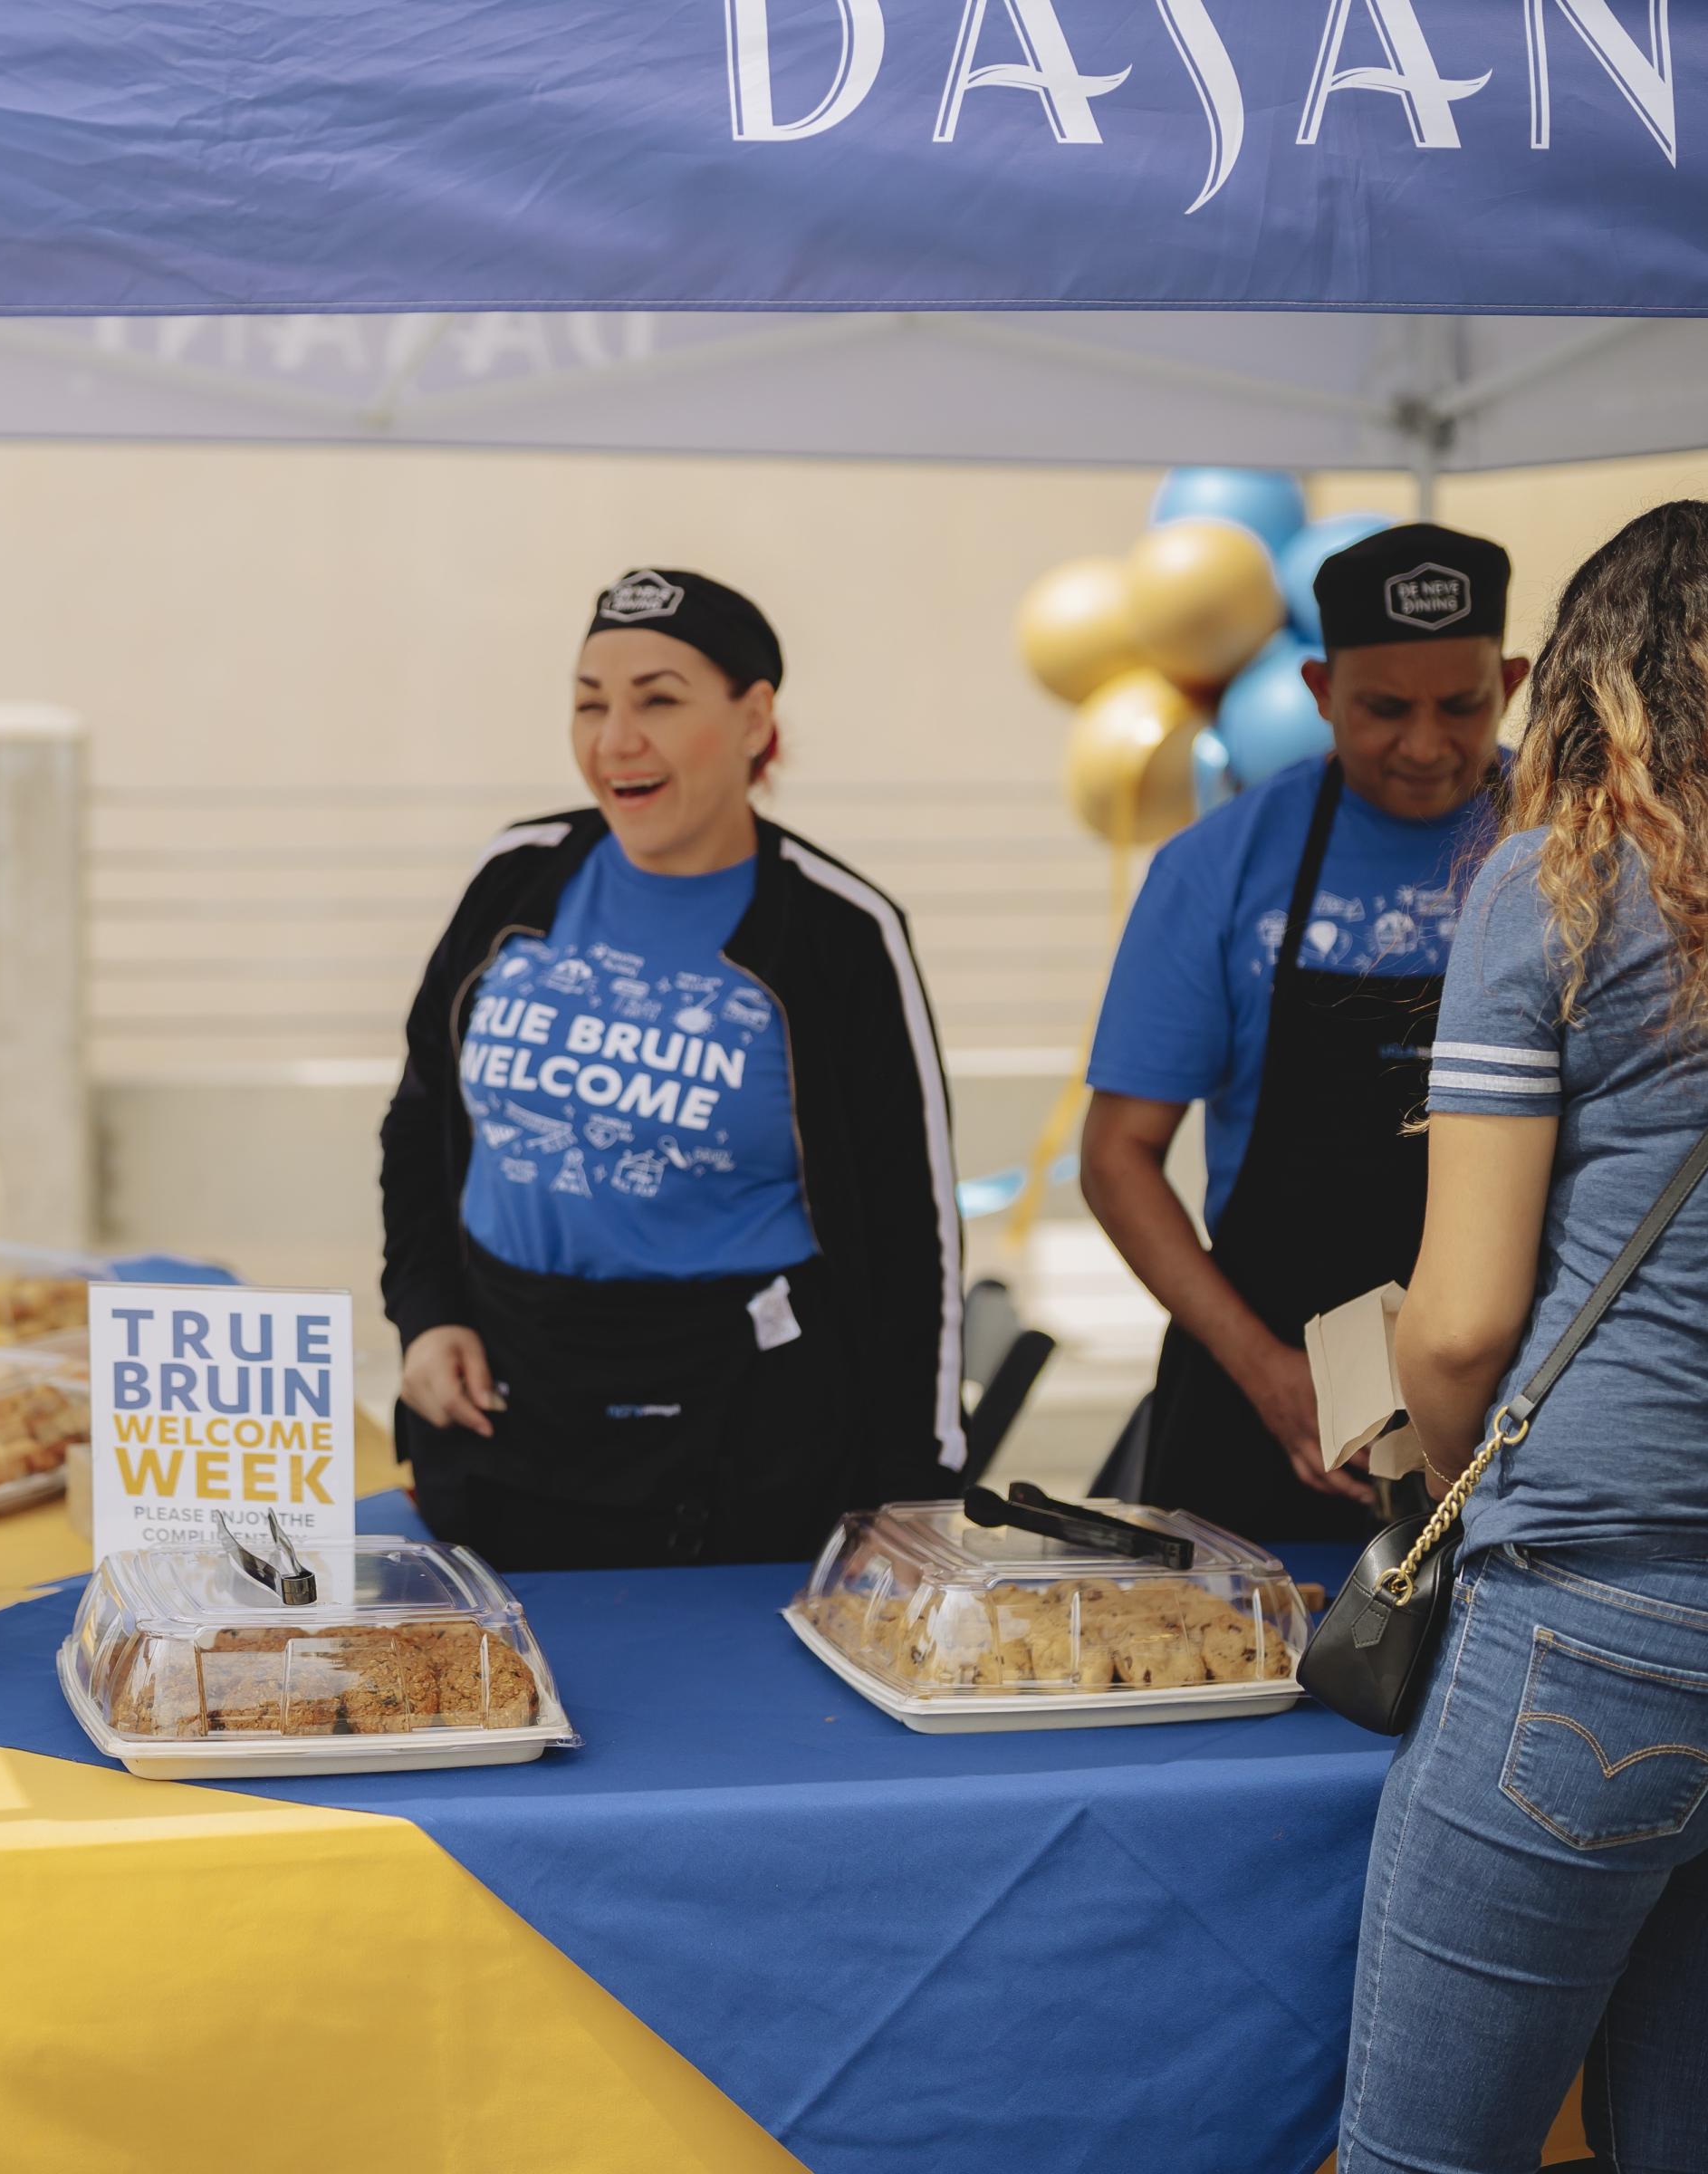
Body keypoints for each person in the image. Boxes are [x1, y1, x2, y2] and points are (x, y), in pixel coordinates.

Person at [1342, 500, 1708, 2174]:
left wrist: (1419, 1453)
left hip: (1600, 1614)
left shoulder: (1557, 890)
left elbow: (1464, 1320)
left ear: (1578, 684)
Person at [380, 568, 963, 1571]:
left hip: (742, 1450)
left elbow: (918, 1241)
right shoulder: (516, 875)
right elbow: (420, 1120)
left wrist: (914, 1497)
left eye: (658, 699)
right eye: (589, 703)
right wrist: (425, 1319)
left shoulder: (839, 933)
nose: (615, 740)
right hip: (505, 1429)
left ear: (754, 717)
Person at [1081, 523, 1530, 1543]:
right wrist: (1268, 1373)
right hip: (1264, 1398)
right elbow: (1117, 1159)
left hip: (1519, 1402)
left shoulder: (1574, 845)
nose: (1424, 743)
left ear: (1510, 680)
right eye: (1383, 709)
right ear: (1321, 691)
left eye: (1461, 705)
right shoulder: (1221, 866)